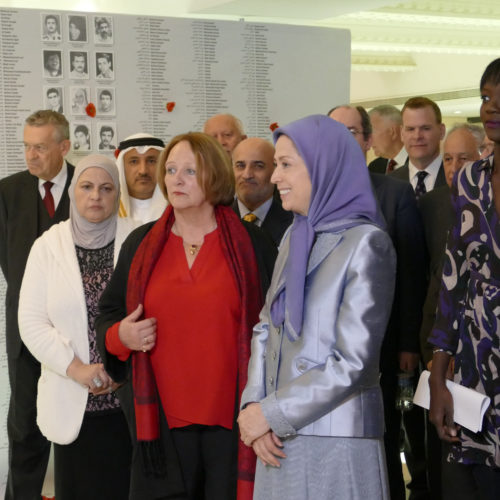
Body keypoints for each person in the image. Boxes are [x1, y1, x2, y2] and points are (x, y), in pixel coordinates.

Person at [96, 132, 277, 499]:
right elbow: (109, 314)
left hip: (233, 422)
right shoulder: (141, 244)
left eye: (189, 171)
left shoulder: (252, 245)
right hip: (161, 425)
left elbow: (278, 327)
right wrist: (121, 337)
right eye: (172, 169)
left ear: (214, 177)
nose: (175, 179)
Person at [238, 115, 396, 499]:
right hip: (277, 438)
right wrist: (254, 405)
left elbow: (353, 363)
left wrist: (271, 413)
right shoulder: (296, 234)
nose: (275, 177)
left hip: (337, 442)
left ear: (324, 168)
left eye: (286, 164)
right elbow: (266, 325)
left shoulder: (366, 244)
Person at [18, 155, 137, 499]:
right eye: (86, 187)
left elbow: (153, 315)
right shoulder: (47, 247)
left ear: (118, 195)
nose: (95, 196)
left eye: (106, 188)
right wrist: (77, 369)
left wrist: (121, 370)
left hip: (127, 402)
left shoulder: (137, 240)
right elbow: (31, 322)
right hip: (73, 403)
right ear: (73, 192)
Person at [329, 104, 427, 500]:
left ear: (368, 140)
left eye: (353, 131)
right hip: (325, 346)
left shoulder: (395, 193)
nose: (346, 139)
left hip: (380, 345)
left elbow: (411, 274)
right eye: (336, 132)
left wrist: (407, 343)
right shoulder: (312, 191)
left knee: (381, 433)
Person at [429, 57, 500, 500]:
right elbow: (452, 279)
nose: (491, 108)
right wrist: (438, 375)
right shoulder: (471, 179)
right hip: (475, 366)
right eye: (487, 97)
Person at [0, 110, 74, 499]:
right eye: (27, 147)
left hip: (78, 332)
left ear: (64, 146)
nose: (31, 156)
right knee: (25, 423)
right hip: (24, 329)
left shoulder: (89, 185)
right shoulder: (7, 192)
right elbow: (7, 259)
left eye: (40, 147)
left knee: (79, 423)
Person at [231, 137, 293, 246]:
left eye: (258, 166)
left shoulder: (294, 224)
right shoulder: (214, 221)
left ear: (275, 171)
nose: (247, 175)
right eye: (240, 166)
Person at [390, 96, 446, 199]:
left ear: (441, 131)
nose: (417, 136)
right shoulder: (389, 184)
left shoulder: (457, 179)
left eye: (425, 128)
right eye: (410, 129)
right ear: (402, 134)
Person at [115, 133, 167, 224]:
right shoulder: (107, 212)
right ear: (122, 168)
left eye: (151, 161)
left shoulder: (177, 211)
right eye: (134, 161)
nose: (143, 171)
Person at [368, 104, 407, 174]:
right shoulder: (373, 168)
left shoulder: (420, 162)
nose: (368, 139)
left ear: (392, 132)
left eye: (371, 132)